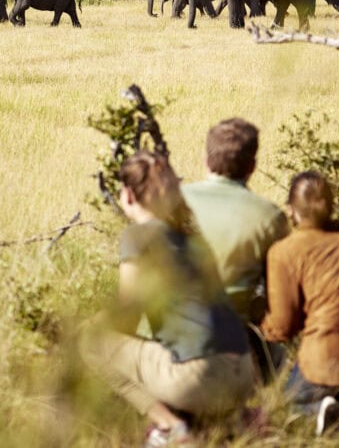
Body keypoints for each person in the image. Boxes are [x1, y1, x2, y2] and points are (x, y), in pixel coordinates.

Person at [79, 151, 256, 447]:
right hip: (243, 373)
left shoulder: (137, 237)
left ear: (127, 195)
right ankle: (227, 423)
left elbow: (127, 313)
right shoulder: (196, 242)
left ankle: (171, 428)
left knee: (91, 342)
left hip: (197, 376)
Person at [259, 171, 339, 422]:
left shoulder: (284, 251)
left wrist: (261, 326)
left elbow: (282, 327)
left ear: (290, 209)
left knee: (290, 400)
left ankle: (322, 411)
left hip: (326, 359)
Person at [181, 118, 288, 324]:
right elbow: (279, 289)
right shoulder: (270, 216)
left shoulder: (172, 201)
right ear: (253, 166)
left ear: (206, 159)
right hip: (233, 332)